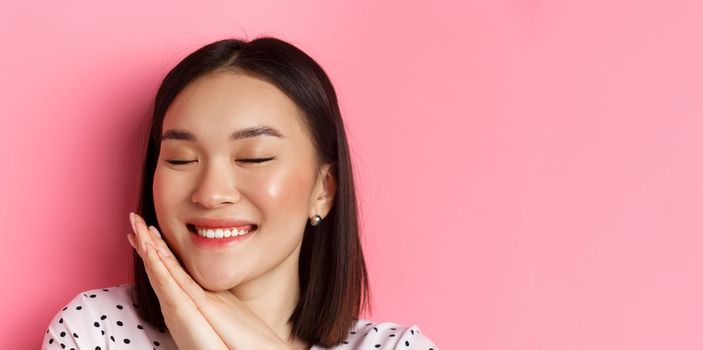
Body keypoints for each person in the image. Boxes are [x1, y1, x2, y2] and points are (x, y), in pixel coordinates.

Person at [42, 36, 438, 349]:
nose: (211, 194)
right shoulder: (94, 331)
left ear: (324, 190)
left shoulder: (400, 347)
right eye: (180, 159)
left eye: (254, 158)